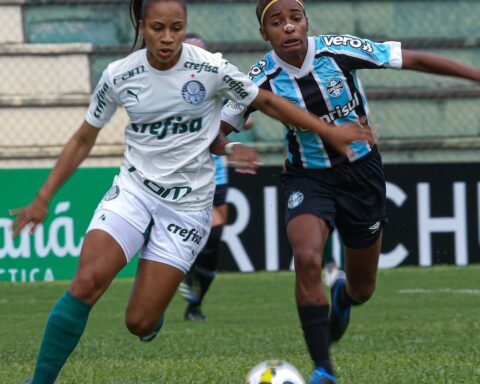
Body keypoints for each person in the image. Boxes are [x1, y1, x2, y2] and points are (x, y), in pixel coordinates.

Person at [9, 1, 373, 382]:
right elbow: (84, 138)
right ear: (142, 26)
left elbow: (263, 100)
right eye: (158, 28)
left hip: (187, 207)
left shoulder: (210, 68)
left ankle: (153, 308)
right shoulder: (119, 75)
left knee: (139, 321)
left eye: (176, 28)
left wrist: (328, 131)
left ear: (184, 27)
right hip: (133, 191)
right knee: (86, 283)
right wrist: (43, 197)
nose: (167, 38)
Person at [221, 1, 480, 382]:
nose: (289, 27)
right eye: (277, 22)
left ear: (307, 21)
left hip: (362, 175)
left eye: (295, 18)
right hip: (308, 178)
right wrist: (231, 148)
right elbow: (216, 131)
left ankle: (342, 295)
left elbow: (416, 61)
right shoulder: (259, 78)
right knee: (307, 258)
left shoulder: (339, 50)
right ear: (265, 34)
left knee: (363, 288)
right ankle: (323, 369)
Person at [179, 33, 256, 321]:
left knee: (215, 234)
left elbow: (246, 119)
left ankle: (194, 301)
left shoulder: (215, 82)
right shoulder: (169, 88)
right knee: (191, 232)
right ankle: (179, 273)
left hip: (215, 171)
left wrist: (234, 117)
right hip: (183, 174)